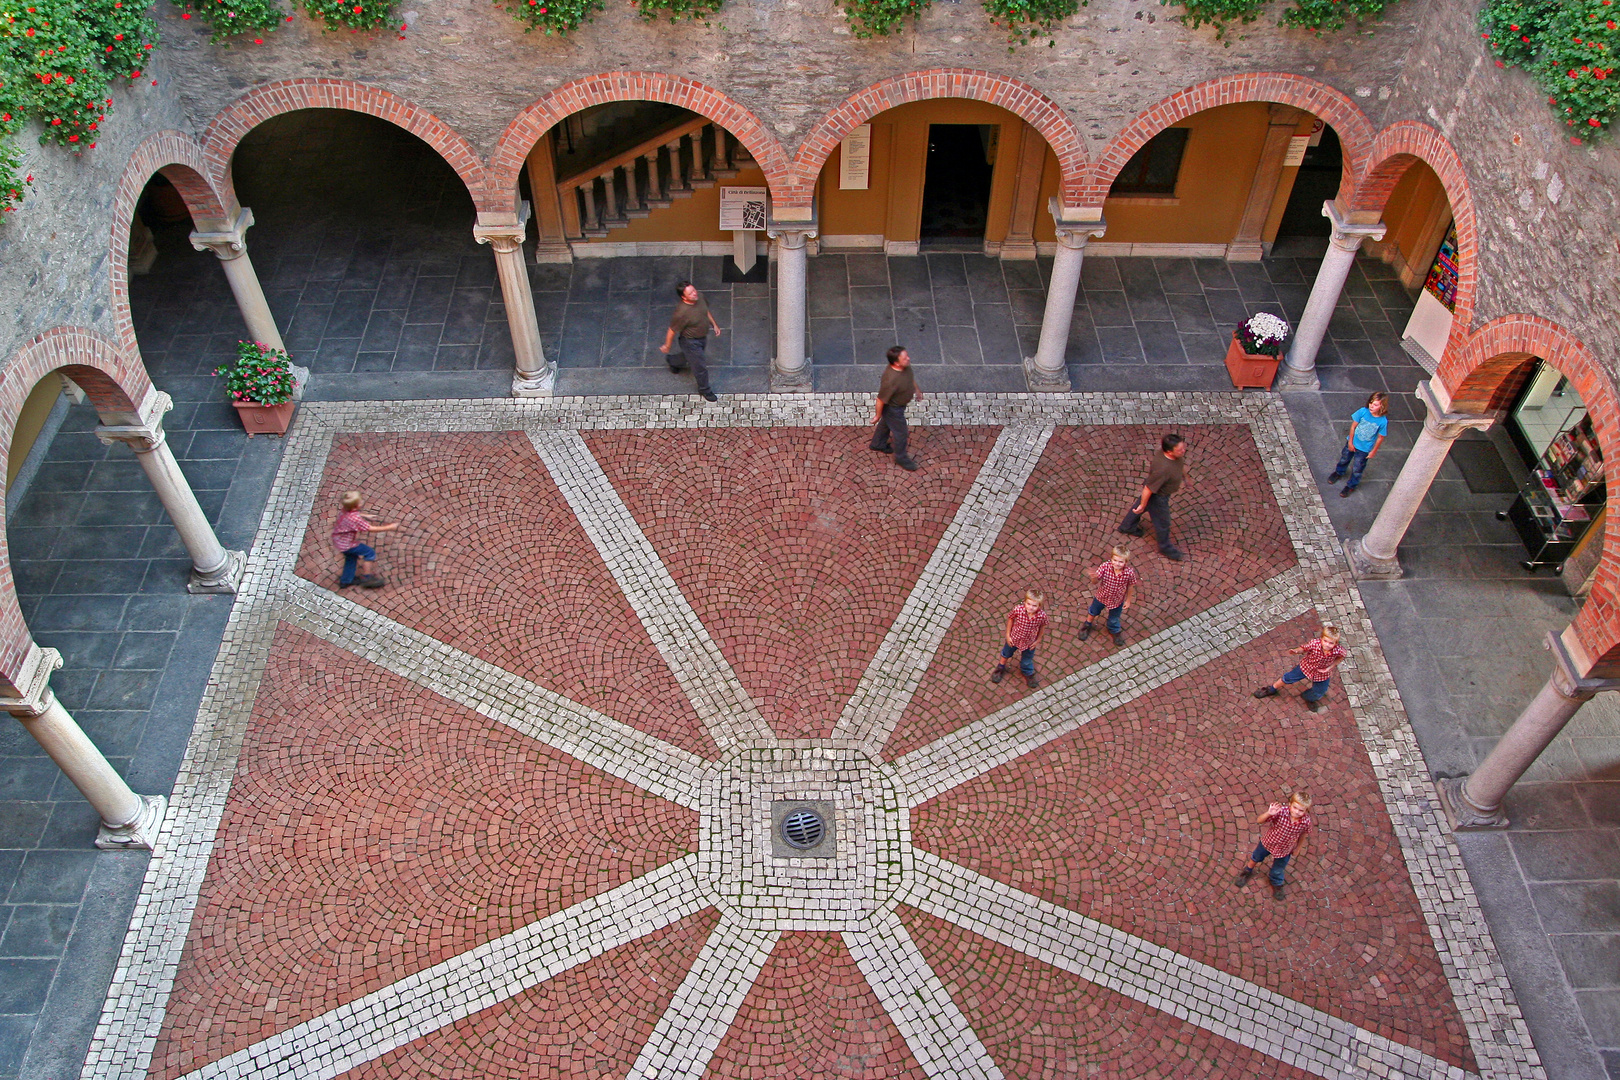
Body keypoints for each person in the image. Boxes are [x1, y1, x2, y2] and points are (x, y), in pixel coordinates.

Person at [1118, 433, 1188, 561]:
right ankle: (1165, 547)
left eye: (1183, 447)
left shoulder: (1174, 457)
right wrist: (1144, 505)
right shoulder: (1163, 469)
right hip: (1158, 496)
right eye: (1179, 450)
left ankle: (1127, 526)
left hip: (1156, 489)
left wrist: (1184, 477)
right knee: (1163, 523)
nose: (1183, 451)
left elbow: (1179, 465)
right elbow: (1148, 489)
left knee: (1140, 506)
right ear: (1169, 451)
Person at [1234, 791, 1314, 900]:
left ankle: (1277, 883)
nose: (1297, 812)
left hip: (1285, 848)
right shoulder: (1281, 812)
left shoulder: (1306, 822)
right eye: (1295, 808)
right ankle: (1247, 871)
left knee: (1278, 869)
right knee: (1256, 857)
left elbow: (1304, 834)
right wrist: (1269, 813)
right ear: (1290, 805)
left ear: (1306, 811)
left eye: (1301, 810)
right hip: (1268, 842)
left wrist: (1298, 847)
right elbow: (1259, 821)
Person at [1253, 624, 1347, 712]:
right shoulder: (1314, 644)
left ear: (1336, 643)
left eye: (1331, 643)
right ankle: (1271, 689)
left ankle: (1308, 697)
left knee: (1320, 691)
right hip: (1306, 666)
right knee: (1288, 678)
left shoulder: (1339, 651)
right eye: (1325, 641)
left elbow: (1341, 657)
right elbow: (1304, 648)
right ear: (1321, 638)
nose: (1327, 645)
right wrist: (1296, 651)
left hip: (1322, 673)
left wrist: (1330, 667)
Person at [659, 280, 723, 403]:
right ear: (684, 297)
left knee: (690, 358)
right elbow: (672, 330)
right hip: (690, 342)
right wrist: (667, 345)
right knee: (700, 367)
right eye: (691, 293)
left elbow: (705, 311)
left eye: (694, 290)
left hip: (701, 337)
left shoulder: (700, 296)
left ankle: (673, 361)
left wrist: (714, 324)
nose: (695, 294)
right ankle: (705, 389)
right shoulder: (681, 313)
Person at [331, 490, 400, 589]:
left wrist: (365, 515)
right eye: (360, 502)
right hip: (347, 544)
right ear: (355, 506)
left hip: (339, 540)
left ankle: (346, 581)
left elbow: (353, 513)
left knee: (351, 558)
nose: (362, 502)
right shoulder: (355, 519)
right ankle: (367, 578)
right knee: (369, 553)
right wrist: (390, 527)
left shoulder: (345, 510)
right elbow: (371, 528)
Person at [1328, 391, 1389, 497]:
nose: (1371, 406)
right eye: (1371, 402)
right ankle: (1339, 472)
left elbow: (1380, 437)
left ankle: (1351, 485)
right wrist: (1350, 442)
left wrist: (1373, 451)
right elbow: (1353, 427)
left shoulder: (1383, 421)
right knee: (1344, 458)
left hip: (1364, 449)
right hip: (1353, 442)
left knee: (1358, 468)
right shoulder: (1363, 411)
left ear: (1382, 406)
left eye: (1375, 404)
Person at [870, 345, 921, 472]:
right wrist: (877, 415)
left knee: (886, 424)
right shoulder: (890, 380)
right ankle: (901, 457)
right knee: (901, 433)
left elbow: (910, 379)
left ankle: (877, 444)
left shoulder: (905, 367)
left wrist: (917, 390)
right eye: (905, 358)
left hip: (898, 406)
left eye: (907, 356)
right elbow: (880, 399)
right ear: (896, 363)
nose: (908, 359)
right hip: (893, 409)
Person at [1078, 545, 1138, 647]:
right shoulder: (1105, 567)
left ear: (1126, 562)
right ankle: (1087, 624)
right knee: (1093, 611)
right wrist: (1094, 577)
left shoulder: (1129, 573)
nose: (1117, 564)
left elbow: (1130, 585)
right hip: (1102, 596)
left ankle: (1114, 631)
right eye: (1115, 560)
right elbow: (1095, 581)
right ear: (1111, 559)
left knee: (1114, 618)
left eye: (1121, 562)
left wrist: (1128, 600)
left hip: (1117, 600)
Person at [991, 588, 1047, 689]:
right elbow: (1011, 618)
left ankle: (1028, 672)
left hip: (1030, 642)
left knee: (1027, 659)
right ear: (1024, 602)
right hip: (1014, 637)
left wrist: (1038, 640)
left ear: (1039, 606)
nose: (1031, 607)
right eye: (1029, 604)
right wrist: (1008, 635)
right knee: (1006, 653)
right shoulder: (1018, 610)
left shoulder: (1042, 616)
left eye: (1034, 605)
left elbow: (1042, 626)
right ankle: (1000, 667)